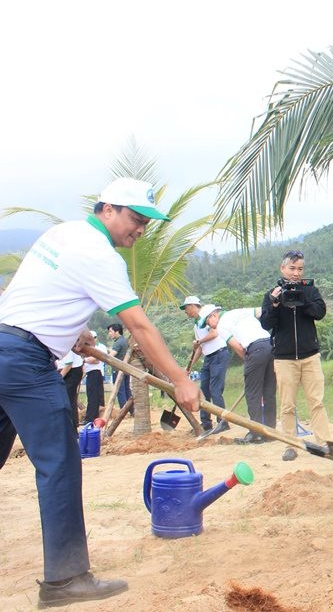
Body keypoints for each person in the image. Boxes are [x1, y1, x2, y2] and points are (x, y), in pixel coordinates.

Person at [0, 177, 201, 607]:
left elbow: (41, 295)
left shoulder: (63, 234)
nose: (141, 228)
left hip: (5, 343)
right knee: (59, 462)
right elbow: (139, 325)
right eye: (135, 218)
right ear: (106, 209)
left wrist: (75, 331)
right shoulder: (99, 254)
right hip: (24, 362)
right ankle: (66, 580)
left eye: (146, 221)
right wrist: (181, 379)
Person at [259, 250, 331, 461]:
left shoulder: (310, 290)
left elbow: (320, 312)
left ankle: (324, 443)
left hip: (310, 356)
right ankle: (290, 445)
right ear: (282, 268)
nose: (296, 273)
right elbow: (266, 324)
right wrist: (274, 303)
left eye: (300, 269)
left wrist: (302, 300)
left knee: (316, 401)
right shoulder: (272, 294)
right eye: (292, 268)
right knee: (287, 405)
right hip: (284, 358)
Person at [198, 304, 276, 444]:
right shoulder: (238, 311)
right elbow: (262, 310)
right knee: (268, 391)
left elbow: (238, 347)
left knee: (252, 393)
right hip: (271, 345)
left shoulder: (221, 326)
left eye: (208, 322)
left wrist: (250, 362)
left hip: (255, 349)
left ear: (213, 315)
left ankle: (256, 433)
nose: (209, 326)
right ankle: (270, 432)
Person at [183, 295, 230, 433]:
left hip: (219, 354)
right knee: (204, 390)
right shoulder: (196, 326)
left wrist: (199, 341)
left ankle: (223, 422)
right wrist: (189, 366)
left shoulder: (207, 316)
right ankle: (206, 423)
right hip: (208, 357)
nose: (185, 311)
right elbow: (199, 348)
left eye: (186, 308)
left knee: (215, 389)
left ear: (192, 306)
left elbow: (214, 333)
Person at [81, 332, 108, 425]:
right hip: (90, 372)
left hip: (95, 372)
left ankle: (90, 418)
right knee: (93, 396)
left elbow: (96, 360)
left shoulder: (100, 347)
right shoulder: (87, 349)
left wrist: (84, 360)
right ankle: (94, 416)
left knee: (93, 396)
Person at [106, 323, 133, 416]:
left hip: (118, 370)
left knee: (120, 391)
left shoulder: (118, 343)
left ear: (117, 331)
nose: (109, 334)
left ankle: (123, 412)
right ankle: (132, 410)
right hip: (126, 369)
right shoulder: (125, 341)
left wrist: (104, 355)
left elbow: (111, 356)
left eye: (110, 331)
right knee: (127, 390)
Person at [57, 350, 84, 426]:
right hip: (68, 371)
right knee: (69, 398)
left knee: (68, 399)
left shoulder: (65, 347)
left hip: (71, 371)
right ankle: (71, 423)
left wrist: (59, 378)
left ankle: (72, 424)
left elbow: (69, 364)